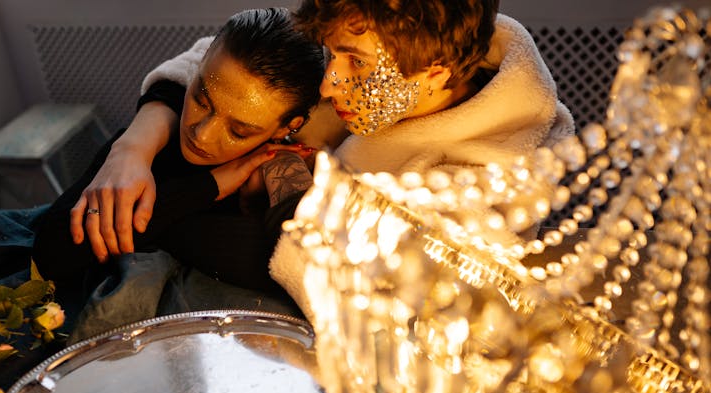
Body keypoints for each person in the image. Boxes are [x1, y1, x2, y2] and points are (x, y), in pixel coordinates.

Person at [62, 0, 574, 318]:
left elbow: (354, 286)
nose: (329, 81)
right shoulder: (372, 26)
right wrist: (133, 146)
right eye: (332, 53)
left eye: (354, 62)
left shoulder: (501, 177)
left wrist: (278, 180)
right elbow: (218, 60)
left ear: (436, 74)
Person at [32, 7, 326, 294]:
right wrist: (209, 186)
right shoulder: (156, 142)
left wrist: (166, 217)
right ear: (197, 67)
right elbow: (52, 254)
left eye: (239, 131)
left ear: (287, 127)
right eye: (201, 99)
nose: (201, 134)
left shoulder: (278, 174)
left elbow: (293, 271)